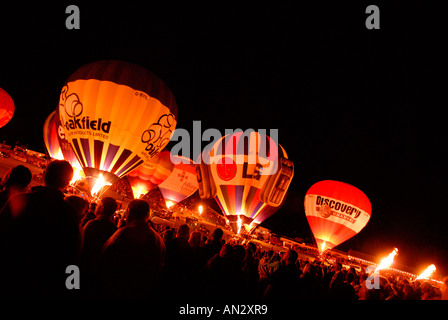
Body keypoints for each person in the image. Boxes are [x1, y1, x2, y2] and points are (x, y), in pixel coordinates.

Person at [0, 160, 80, 299]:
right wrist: (70, 287)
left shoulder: (19, 200)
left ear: (43, 175)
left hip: (9, 274)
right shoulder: (70, 214)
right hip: (43, 283)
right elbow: (71, 255)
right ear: (67, 183)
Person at [96, 199, 165, 299]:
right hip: (143, 291)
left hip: (118, 290)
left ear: (128, 212)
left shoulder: (123, 233)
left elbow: (104, 258)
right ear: (147, 215)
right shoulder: (159, 240)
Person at [81, 197, 118, 285]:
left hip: (86, 267)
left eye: (97, 205)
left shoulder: (92, 224)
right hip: (101, 272)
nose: (95, 207)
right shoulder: (115, 230)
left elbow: (82, 245)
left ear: (102, 208)